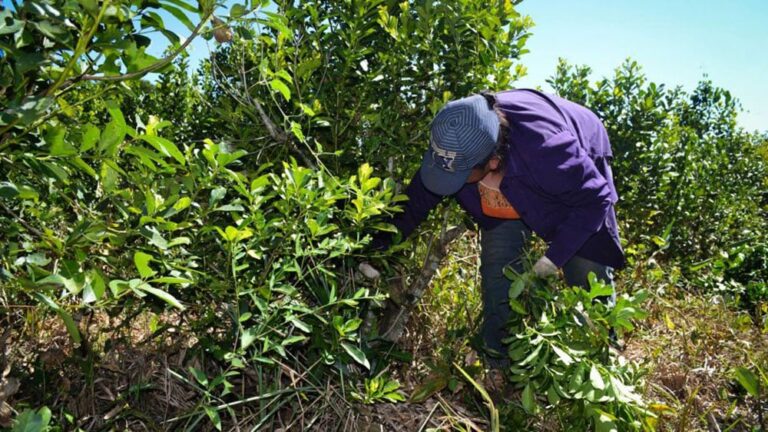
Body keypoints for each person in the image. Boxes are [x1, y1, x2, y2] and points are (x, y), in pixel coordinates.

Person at [370, 89, 625, 370]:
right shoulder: (453, 138)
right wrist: (376, 252)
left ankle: (602, 360)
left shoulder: (550, 150)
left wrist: (552, 260)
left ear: (491, 163)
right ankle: (497, 361)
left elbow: (595, 200)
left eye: (457, 176)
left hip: (578, 147)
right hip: (512, 168)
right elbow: (415, 203)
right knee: (499, 268)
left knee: (586, 265)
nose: (447, 181)